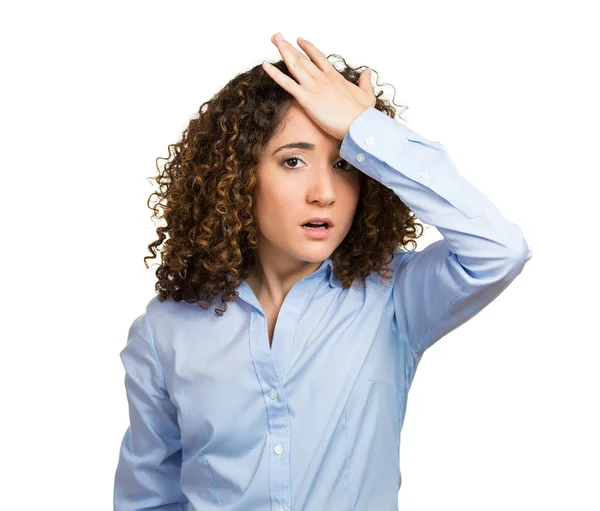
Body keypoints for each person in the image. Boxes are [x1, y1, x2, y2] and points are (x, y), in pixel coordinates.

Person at [113, 33, 532, 511]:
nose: (324, 192)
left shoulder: (393, 298)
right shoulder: (166, 330)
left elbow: (499, 250)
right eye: (293, 161)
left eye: (344, 164)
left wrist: (365, 128)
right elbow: (148, 499)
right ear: (238, 176)